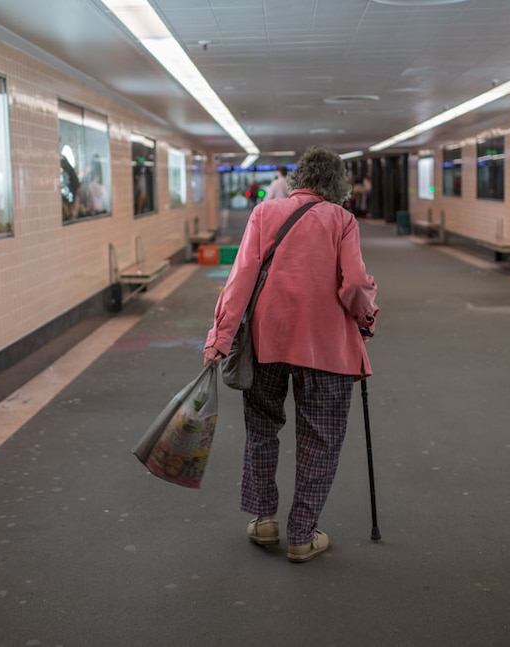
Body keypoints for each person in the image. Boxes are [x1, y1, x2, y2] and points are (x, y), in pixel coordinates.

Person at [203, 146, 379, 563]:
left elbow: (240, 279)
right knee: (320, 438)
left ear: (298, 179)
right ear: (337, 186)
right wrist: (366, 317)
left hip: (269, 342)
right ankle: (302, 534)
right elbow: (354, 284)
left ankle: (265, 520)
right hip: (326, 348)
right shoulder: (343, 221)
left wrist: (220, 339)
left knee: (262, 429)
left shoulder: (265, 214)